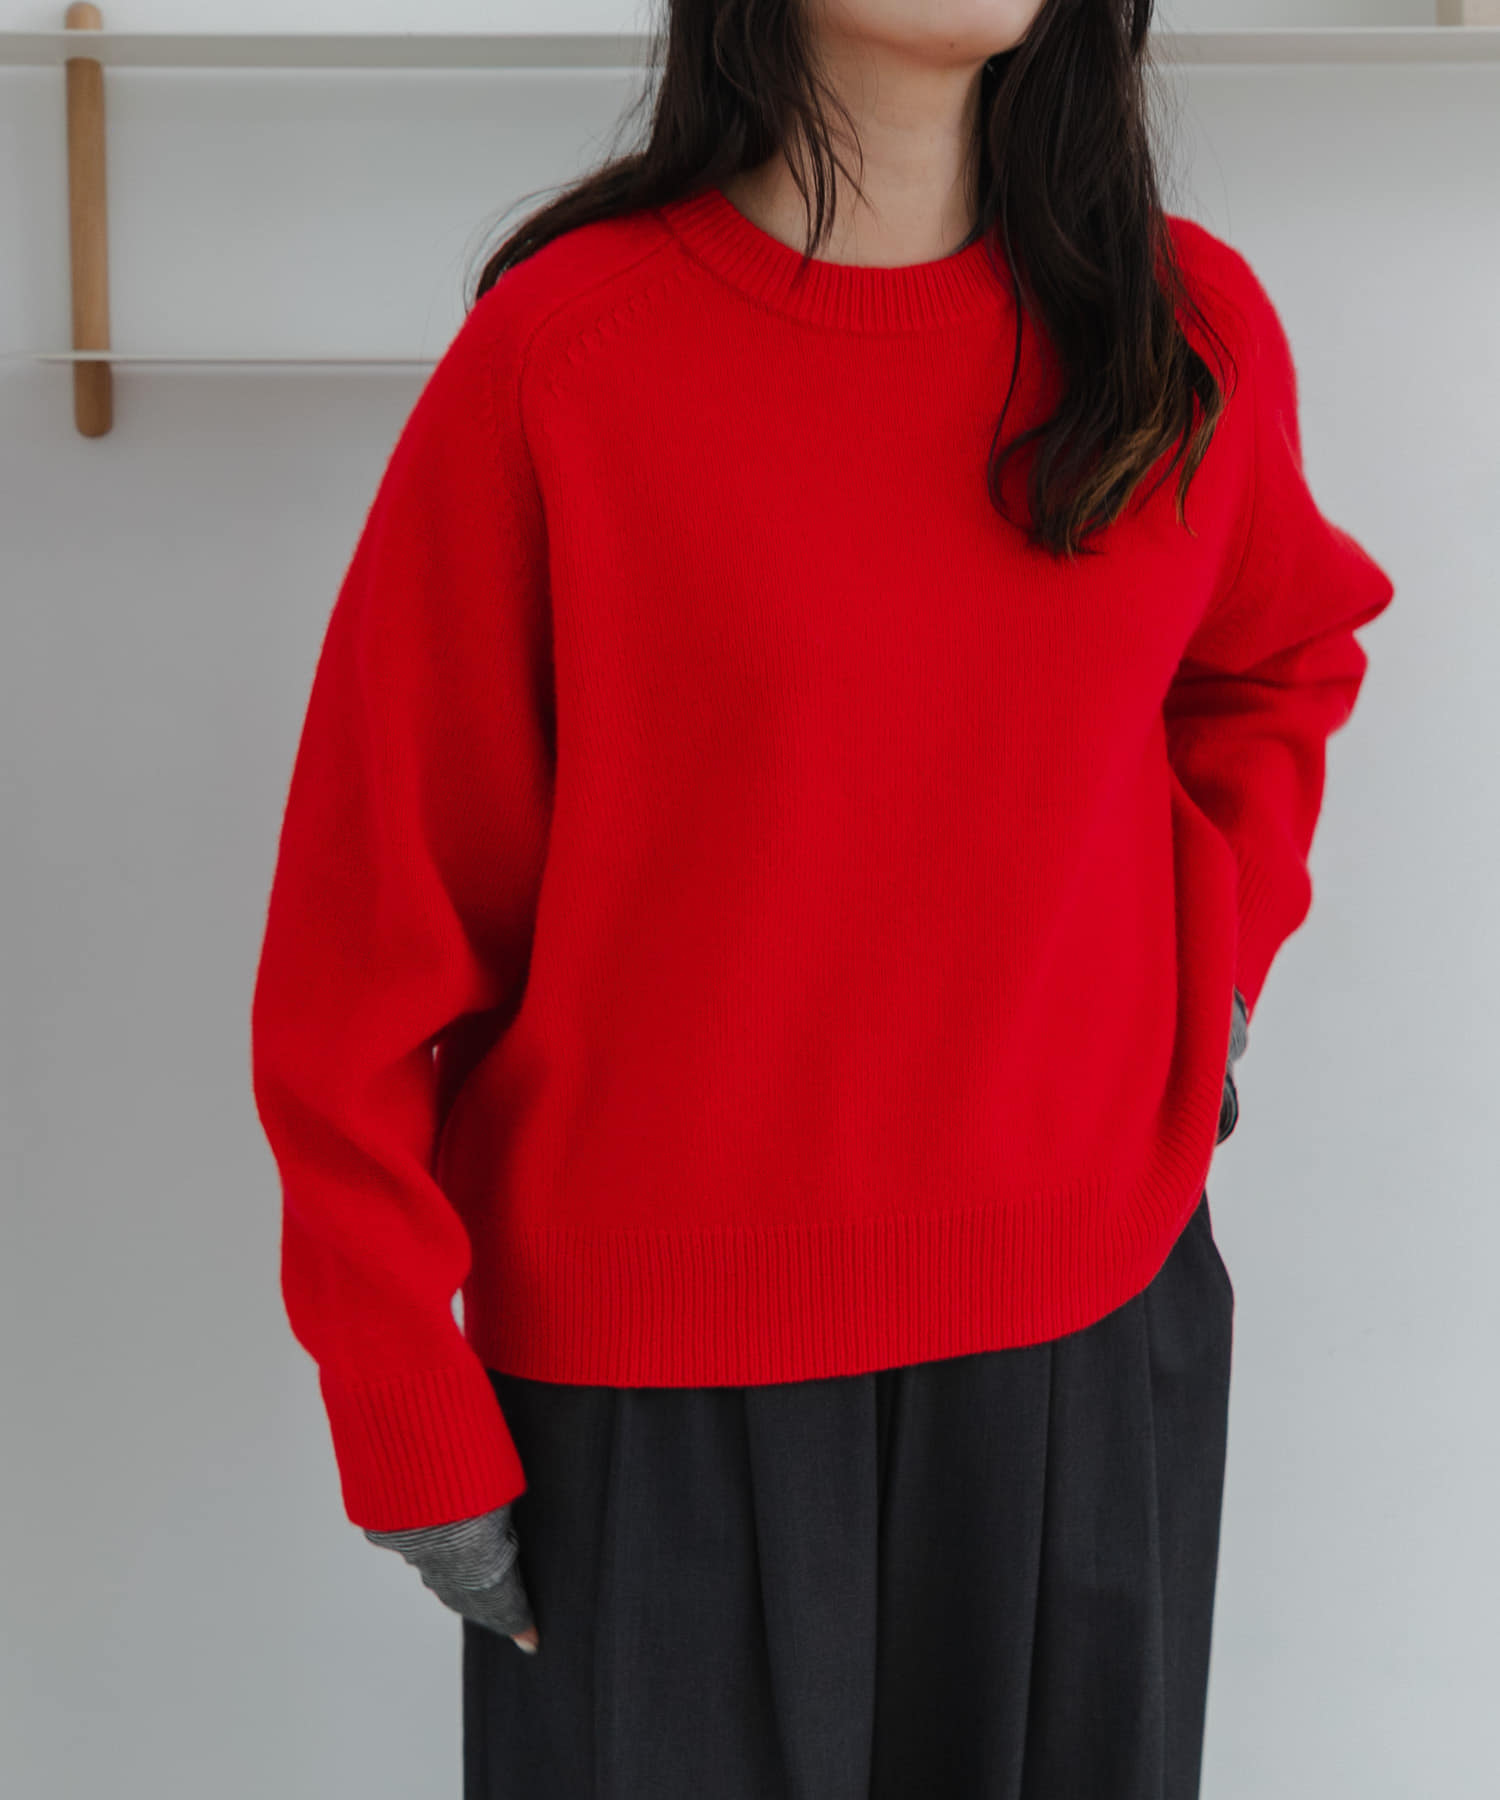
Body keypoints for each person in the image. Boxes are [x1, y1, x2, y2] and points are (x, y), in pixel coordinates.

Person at [249, 2, 1395, 1794]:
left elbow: (1277, 661)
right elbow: (368, 929)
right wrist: (396, 1387)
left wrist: (1219, 968)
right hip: (657, 1403)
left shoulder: (1178, 327)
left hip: (1089, 1348)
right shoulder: (568, 356)